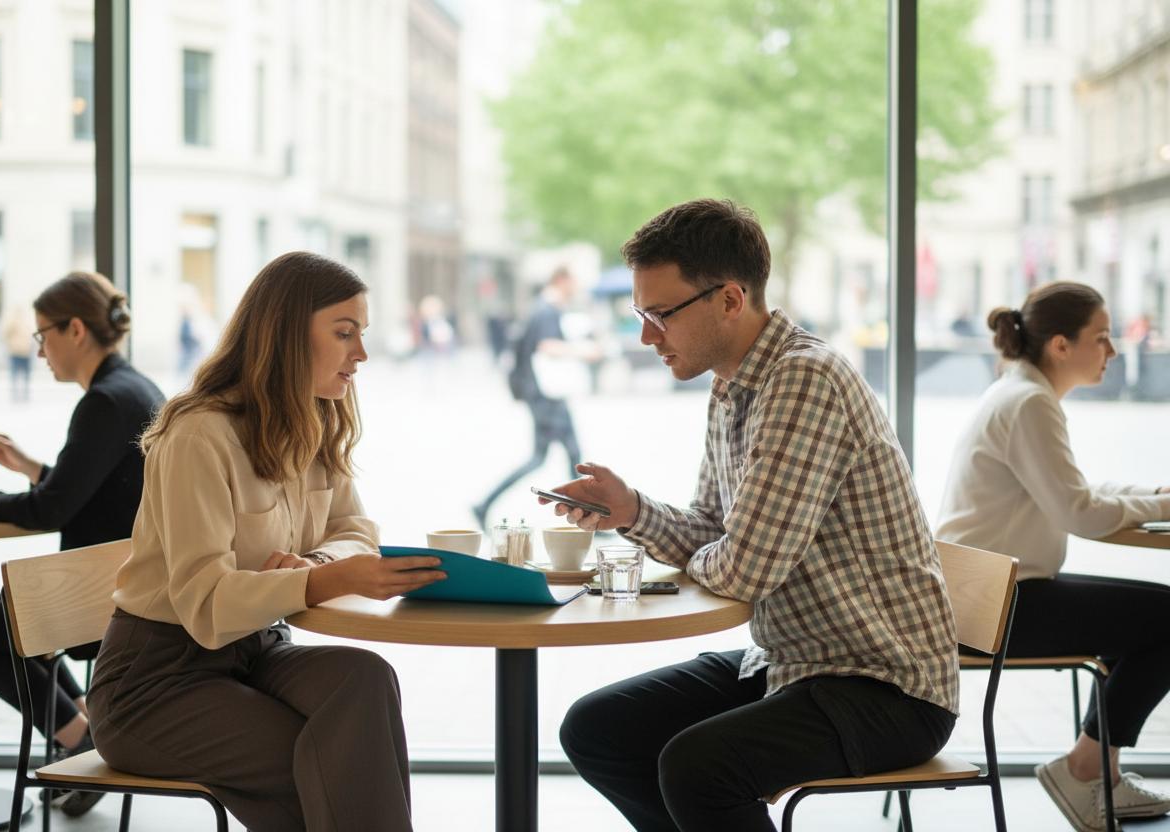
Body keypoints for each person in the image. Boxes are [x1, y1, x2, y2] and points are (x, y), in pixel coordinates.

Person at [545, 199, 959, 832]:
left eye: (659, 315)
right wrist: (630, 510)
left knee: (698, 768)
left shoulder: (804, 380)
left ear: (731, 300)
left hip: (885, 684)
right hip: (794, 663)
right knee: (600, 729)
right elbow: (717, 533)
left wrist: (720, 552)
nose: (645, 336)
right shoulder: (732, 382)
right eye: (640, 314)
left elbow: (742, 571)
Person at [87, 251, 446, 832]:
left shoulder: (318, 417)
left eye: (362, 334)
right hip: (154, 682)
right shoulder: (198, 435)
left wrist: (316, 563)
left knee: (365, 678)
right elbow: (204, 604)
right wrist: (321, 580)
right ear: (286, 334)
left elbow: (356, 530)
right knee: (322, 763)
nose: (362, 353)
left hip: (255, 652)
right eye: (345, 333)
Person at [0, 271, 164, 818]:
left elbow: (52, 509)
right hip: (122, 576)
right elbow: (91, 487)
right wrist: (31, 466)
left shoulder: (105, 401)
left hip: (105, 589)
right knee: (1, 628)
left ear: (75, 329)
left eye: (42, 336)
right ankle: (85, 732)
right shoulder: (131, 388)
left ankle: (79, 738)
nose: (38, 351)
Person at [937, 281, 1170, 832]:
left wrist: (1154, 499)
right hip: (996, 605)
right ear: (1061, 345)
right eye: (1103, 337)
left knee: (1143, 619)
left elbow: (1073, 492)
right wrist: (1157, 503)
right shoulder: (1029, 402)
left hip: (986, 594)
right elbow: (1081, 512)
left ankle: (1098, 776)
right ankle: (1084, 769)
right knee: (1166, 617)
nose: (1113, 351)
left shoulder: (1020, 392)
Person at [472, 266, 599, 529]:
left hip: (540, 394)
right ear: (562, 280)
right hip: (546, 396)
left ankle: (484, 504)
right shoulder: (547, 310)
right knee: (568, 456)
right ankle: (585, 520)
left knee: (551, 457)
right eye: (574, 281)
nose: (576, 288)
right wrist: (583, 351)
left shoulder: (540, 308)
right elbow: (547, 346)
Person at [1, 304, 36, 402]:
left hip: (26, 353)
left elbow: (32, 335)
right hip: (15, 352)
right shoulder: (12, 323)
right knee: (15, 375)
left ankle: (25, 394)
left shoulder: (28, 323)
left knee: (26, 375)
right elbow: (6, 334)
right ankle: (15, 395)